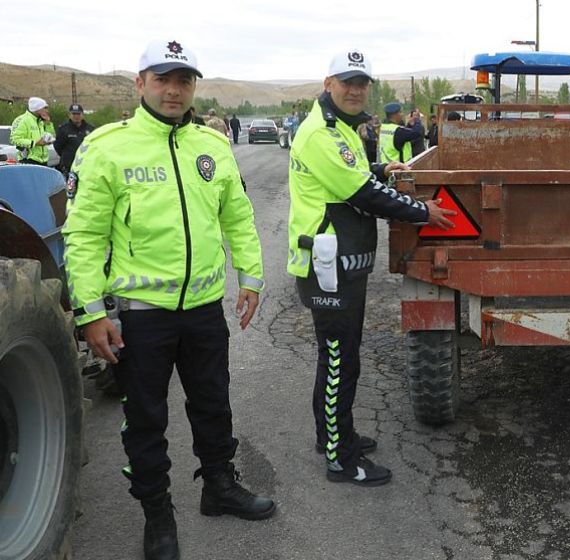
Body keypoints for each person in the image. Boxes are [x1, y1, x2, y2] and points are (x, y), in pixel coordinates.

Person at [62, 39, 274, 560]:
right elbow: (84, 235)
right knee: (145, 421)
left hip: (203, 310)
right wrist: (90, 312)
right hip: (141, 317)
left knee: (213, 404)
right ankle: (157, 515)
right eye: (162, 79)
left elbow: (237, 217)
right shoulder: (108, 146)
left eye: (183, 80)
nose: (174, 89)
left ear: (194, 86)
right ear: (140, 84)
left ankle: (219, 487)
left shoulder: (213, 146)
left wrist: (252, 277)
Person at [287, 49, 455, 487]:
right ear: (329, 84)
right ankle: (341, 460)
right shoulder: (321, 133)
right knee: (341, 361)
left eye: (362, 83)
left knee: (341, 359)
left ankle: (334, 435)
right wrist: (422, 211)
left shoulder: (341, 130)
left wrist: (383, 166)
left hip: (343, 262)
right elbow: (363, 193)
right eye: (347, 82)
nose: (356, 89)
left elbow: (353, 175)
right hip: (329, 266)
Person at [10, 96, 56, 165]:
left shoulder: (41, 121)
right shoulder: (22, 120)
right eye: (45, 108)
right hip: (28, 160)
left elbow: (52, 136)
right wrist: (34, 143)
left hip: (43, 161)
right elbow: (14, 140)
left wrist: (48, 124)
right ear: (37, 108)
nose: (47, 111)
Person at [54, 103, 95, 176]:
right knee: (70, 187)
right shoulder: (63, 129)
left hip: (86, 166)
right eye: (74, 114)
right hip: (69, 167)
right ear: (69, 115)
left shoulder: (90, 128)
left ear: (82, 115)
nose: (76, 116)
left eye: (78, 114)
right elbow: (58, 147)